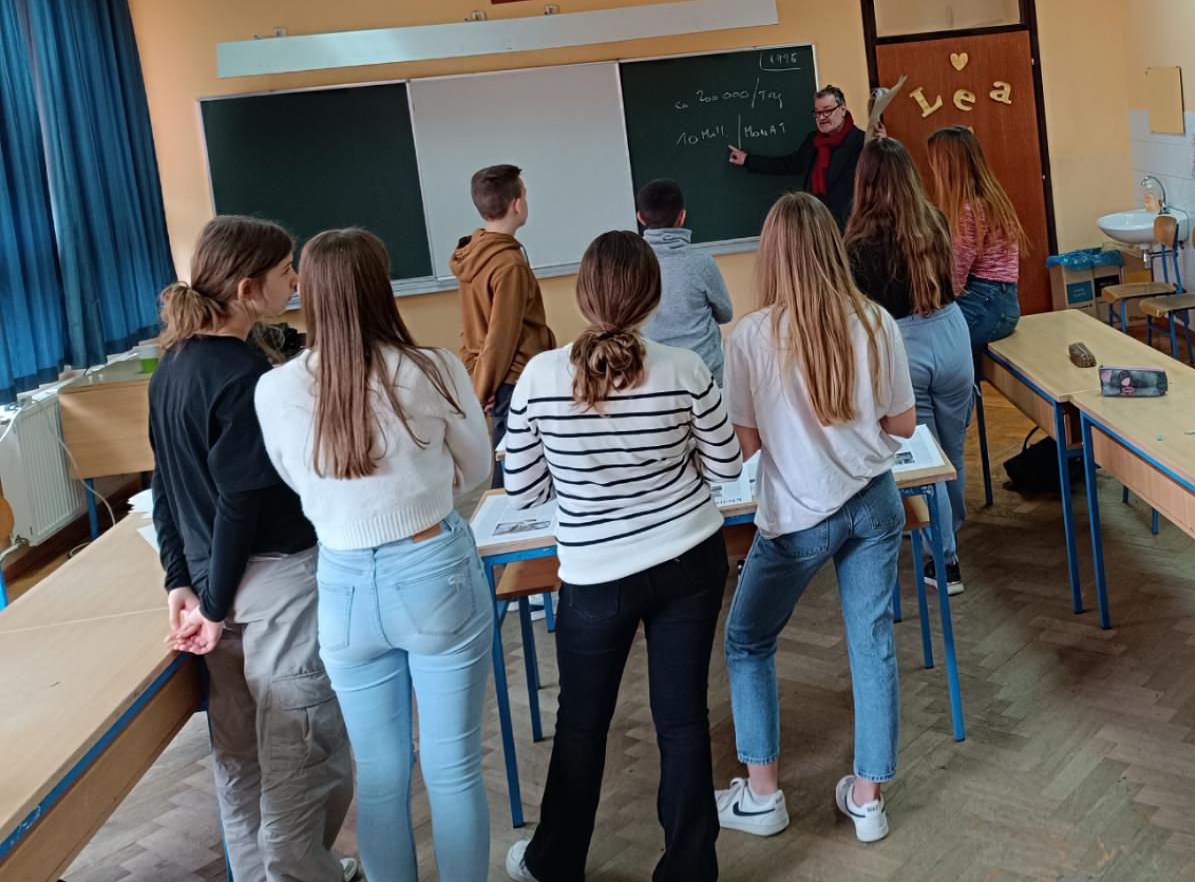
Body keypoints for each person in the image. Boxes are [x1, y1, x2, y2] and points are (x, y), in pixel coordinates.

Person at [499, 230, 742, 882]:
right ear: (652, 298)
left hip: (594, 574)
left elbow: (523, 489)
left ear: (582, 295)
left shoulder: (539, 377)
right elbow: (727, 467)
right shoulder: (685, 369)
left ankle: (554, 863)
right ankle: (690, 869)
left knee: (582, 722)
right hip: (688, 559)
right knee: (683, 717)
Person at [254, 229, 495, 882]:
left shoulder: (275, 390)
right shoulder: (431, 367)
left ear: (308, 293)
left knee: (381, 774)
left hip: (343, 585)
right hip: (433, 569)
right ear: (380, 285)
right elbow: (478, 468)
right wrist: (422, 484)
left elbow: (300, 482)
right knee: (452, 767)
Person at [148, 216, 356, 882]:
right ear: (246, 288)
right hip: (271, 587)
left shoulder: (171, 364)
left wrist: (181, 582)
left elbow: (164, 486)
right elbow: (240, 502)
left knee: (242, 758)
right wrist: (209, 605)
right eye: (285, 271)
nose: (295, 281)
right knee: (306, 751)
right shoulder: (245, 377)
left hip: (215, 585)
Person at [714, 193, 916, 844]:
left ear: (770, 256)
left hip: (799, 517)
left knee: (748, 640)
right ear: (833, 247)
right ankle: (868, 798)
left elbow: (743, 445)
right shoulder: (876, 321)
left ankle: (763, 795)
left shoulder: (751, 337)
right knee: (872, 641)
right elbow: (902, 423)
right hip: (875, 503)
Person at [845, 137, 974, 595]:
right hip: (952, 335)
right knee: (952, 452)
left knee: (925, 459)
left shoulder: (857, 243)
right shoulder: (935, 221)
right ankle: (949, 528)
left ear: (864, 183)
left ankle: (944, 560)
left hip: (902, 345)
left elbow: (860, 315)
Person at [450, 163, 556, 450]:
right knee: (516, 460)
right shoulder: (509, 265)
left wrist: (480, 379)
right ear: (517, 205)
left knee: (507, 453)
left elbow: (472, 324)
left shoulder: (473, 253)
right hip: (514, 378)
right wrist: (482, 391)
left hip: (494, 375)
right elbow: (501, 336)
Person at [925, 126, 1023, 385]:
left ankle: (959, 405)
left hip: (988, 302)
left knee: (933, 348)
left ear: (949, 166)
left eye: (935, 162)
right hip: (998, 301)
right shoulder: (989, 199)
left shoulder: (970, 210)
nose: (932, 169)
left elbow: (954, 279)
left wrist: (929, 304)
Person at [638, 177, 736, 384]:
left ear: (640, 218)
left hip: (656, 378)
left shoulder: (632, 264)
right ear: (682, 216)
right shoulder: (701, 263)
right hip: (706, 373)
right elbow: (726, 314)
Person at [727, 84, 866, 229]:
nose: (821, 118)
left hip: (848, 228)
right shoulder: (813, 141)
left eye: (827, 111)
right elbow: (789, 164)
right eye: (817, 113)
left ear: (842, 109)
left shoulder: (862, 143)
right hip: (814, 224)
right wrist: (748, 160)